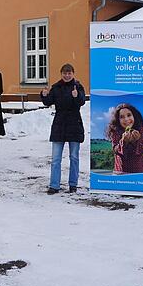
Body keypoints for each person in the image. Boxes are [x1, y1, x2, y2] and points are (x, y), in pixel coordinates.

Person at [41, 63, 86, 194]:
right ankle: (54, 185)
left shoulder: (78, 86)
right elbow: (48, 102)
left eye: (69, 73)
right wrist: (44, 95)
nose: (67, 75)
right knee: (55, 159)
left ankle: (73, 184)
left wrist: (76, 96)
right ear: (61, 74)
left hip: (74, 124)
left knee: (74, 157)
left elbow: (82, 101)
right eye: (64, 73)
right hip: (59, 125)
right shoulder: (56, 87)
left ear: (73, 74)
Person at [105, 103, 143, 174]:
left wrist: (136, 141)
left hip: (138, 172)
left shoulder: (141, 130)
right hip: (120, 172)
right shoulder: (115, 131)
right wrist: (123, 141)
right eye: (122, 117)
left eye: (129, 115)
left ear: (134, 116)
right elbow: (116, 150)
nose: (126, 119)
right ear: (118, 119)